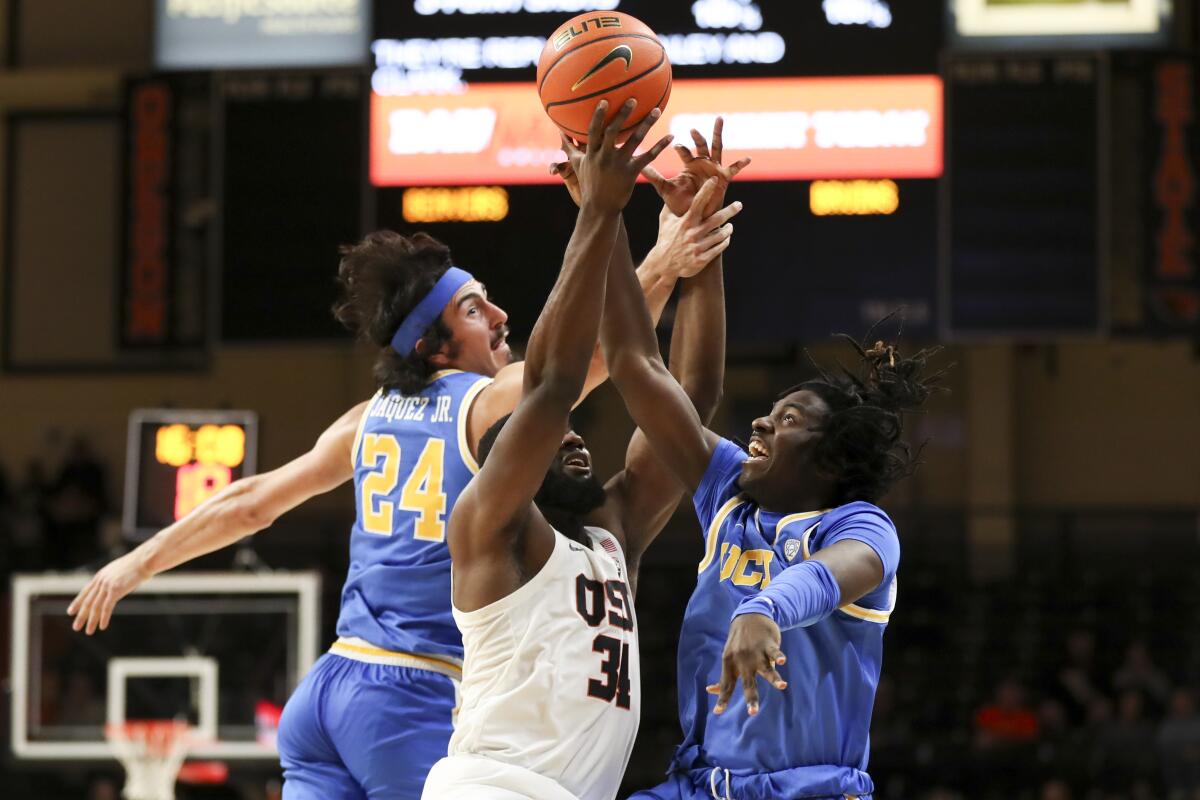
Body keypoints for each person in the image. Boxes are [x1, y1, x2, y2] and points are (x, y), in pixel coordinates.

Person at [64, 118, 735, 800]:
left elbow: (251, 502)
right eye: (476, 311)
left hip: (329, 687)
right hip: (413, 693)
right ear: (432, 346)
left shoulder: (367, 419)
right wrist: (662, 262)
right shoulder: (480, 404)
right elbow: (590, 363)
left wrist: (137, 562)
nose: (500, 315)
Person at [421, 101, 742, 800]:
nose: (573, 439)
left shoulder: (612, 534)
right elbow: (551, 386)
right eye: (551, 437)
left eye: (574, 436)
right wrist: (598, 213)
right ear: (510, 463)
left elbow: (690, 397)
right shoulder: (490, 528)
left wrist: (701, 250)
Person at [600, 179, 943, 797]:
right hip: (698, 784)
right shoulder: (727, 493)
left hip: (808, 788)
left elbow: (829, 574)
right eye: (768, 412)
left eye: (787, 421)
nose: (759, 421)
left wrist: (763, 609)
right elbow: (645, 370)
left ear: (830, 461)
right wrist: (685, 233)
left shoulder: (861, 526)